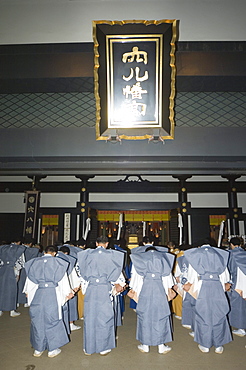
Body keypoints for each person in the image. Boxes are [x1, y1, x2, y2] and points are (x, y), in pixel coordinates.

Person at [77, 236, 126, 356]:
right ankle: (103, 347)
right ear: (107, 243)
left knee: (90, 317)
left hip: (91, 287)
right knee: (105, 317)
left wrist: (85, 286)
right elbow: (118, 274)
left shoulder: (86, 254)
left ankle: (88, 347)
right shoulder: (113, 255)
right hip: (105, 287)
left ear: (96, 243)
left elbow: (80, 273)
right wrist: (119, 285)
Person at [23, 245, 74, 358]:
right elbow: (63, 280)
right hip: (52, 294)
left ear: (44, 252)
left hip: (38, 293)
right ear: (55, 253)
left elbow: (30, 281)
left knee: (38, 321)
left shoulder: (34, 263)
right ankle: (52, 349)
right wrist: (68, 293)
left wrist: (28, 293)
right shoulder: (58, 263)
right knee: (53, 320)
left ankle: (38, 349)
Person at [184, 238, 232, 354]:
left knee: (202, 315)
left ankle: (205, 345)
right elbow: (226, 277)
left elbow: (191, 276)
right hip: (218, 287)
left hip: (202, 287)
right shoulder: (220, 255)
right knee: (219, 314)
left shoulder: (196, 255)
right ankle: (218, 345)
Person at [128, 245, 176, 354]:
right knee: (161, 316)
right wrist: (168, 292)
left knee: (145, 316)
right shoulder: (163, 261)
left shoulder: (140, 261)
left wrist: (135, 292)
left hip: (145, 291)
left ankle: (145, 345)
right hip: (160, 291)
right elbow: (168, 279)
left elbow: (136, 280)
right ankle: (161, 346)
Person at [0, 239, 26, 317]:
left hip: (2, 269)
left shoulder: (2, 248)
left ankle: (0, 309)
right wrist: (18, 273)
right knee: (12, 290)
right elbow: (20, 262)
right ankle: (12, 310)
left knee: (1, 289)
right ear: (18, 242)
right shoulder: (19, 249)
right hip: (12, 270)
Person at [227, 237, 246, 337]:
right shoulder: (244, 253)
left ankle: (241, 327)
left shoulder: (231, 254)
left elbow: (230, 269)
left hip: (236, 282)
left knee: (237, 305)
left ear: (231, 244)